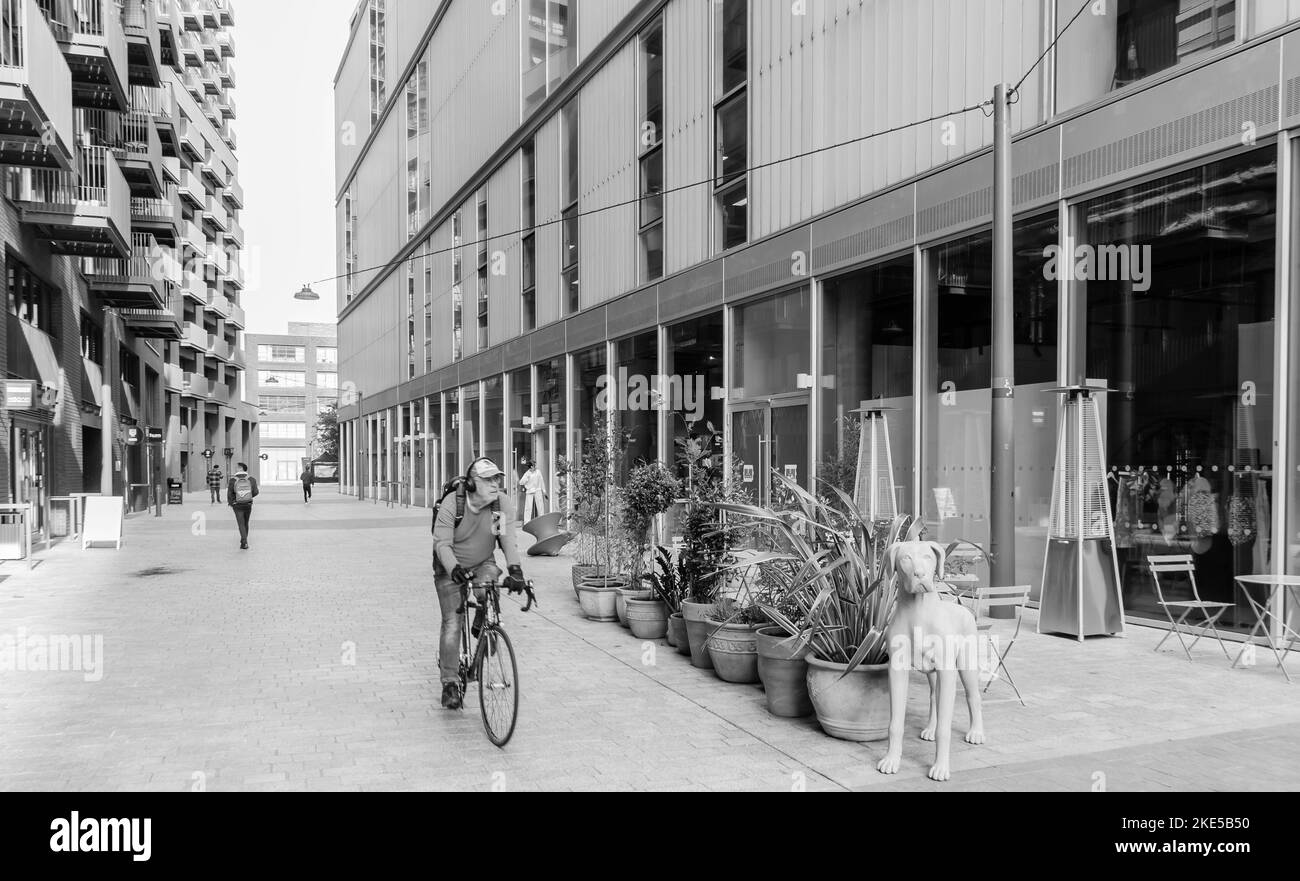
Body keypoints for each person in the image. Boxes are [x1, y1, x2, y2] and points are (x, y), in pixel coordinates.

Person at [432, 457, 528, 709]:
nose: (495, 483)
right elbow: (442, 544)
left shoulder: (498, 504)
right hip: (450, 568)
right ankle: (450, 683)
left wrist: (515, 569)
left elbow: (505, 538)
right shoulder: (455, 503)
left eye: (497, 478)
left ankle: (485, 622)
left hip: (483, 562)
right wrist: (454, 569)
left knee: (488, 588)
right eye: (488, 479)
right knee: (452, 623)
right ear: (473, 484)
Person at [227, 463, 260, 550]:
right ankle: (243, 541)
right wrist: (248, 496)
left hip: (237, 505)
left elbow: (229, 494)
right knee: (246, 523)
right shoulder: (252, 479)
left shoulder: (233, 480)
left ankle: (244, 542)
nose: (235, 468)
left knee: (241, 524)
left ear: (241, 468)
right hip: (248, 504)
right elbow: (256, 492)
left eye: (237, 467)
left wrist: (232, 502)